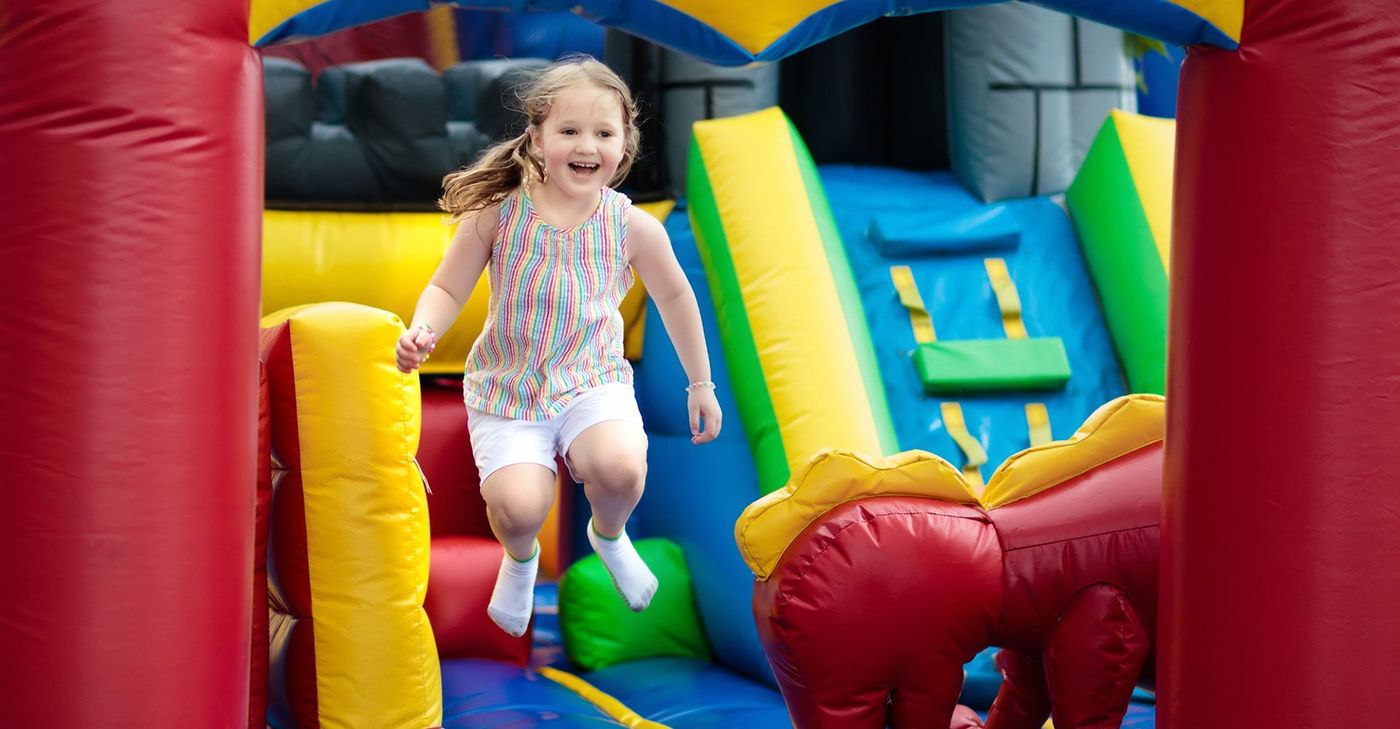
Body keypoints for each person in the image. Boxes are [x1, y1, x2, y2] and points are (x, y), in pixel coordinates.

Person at [394, 55, 722, 637]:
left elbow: (676, 299)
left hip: (590, 380)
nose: (586, 145)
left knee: (621, 469)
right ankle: (520, 560)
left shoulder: (631, 226)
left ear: (624, 144)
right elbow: (447, 285)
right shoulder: (498, 215)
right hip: (508, 387)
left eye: (604, 132)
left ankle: (609, 535)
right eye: (569, 130)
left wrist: (701, 383)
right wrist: (424, 329)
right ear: (537, 137)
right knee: (521, 508)